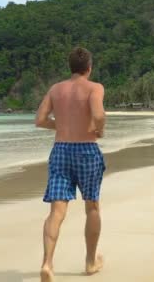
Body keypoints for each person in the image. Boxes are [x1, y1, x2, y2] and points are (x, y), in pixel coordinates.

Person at [35, 47, 106, 281]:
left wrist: (63, 125)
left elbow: (40, 120)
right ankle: (90, 262)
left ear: (71, 67)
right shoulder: (94, 88)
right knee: (92, 206)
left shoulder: (56, 89)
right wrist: (100, 130)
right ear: (89, 67)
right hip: (86, 150)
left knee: (56, 211)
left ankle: (47, 263)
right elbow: (98, 114)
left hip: (61, 150)